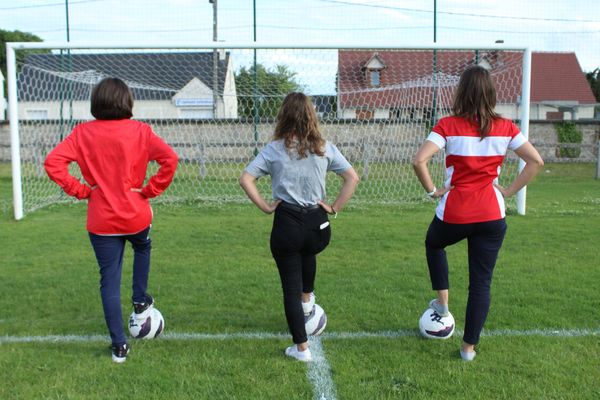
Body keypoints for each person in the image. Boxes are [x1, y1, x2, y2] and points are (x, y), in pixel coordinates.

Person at [412, 65, 544, 361]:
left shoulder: (447, 125)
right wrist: (508, 192)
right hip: (491, 215)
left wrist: (433, 191)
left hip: (455, 213)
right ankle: (468, 349)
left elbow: (419, 161)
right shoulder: (507, 127)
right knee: (481, 282)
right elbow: (536, 161)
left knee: (434, 243)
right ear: (491, 94)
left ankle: (442, 305)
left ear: (462, 92)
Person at [44, 77, 178, 363]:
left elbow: (52, 162)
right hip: (135, 212)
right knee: (142, 247)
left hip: (101, 218)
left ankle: (119, 346)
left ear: (97, 103)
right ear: (127, 101)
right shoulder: (140, 131)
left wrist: (82, 191)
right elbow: (170, 159)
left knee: (109, 280)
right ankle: (140, 299)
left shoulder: (82, 133)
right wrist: (150, 190)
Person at [239, 92, 359, 362]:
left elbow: (245, 179)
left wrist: (266, 206)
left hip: (287, 225)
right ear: (311, 116)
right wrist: (335, 207)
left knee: (289, 288)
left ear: (283, 116)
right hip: (318, 226)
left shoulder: (273, 149)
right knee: (308, 252)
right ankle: (308, 302)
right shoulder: (324, 147)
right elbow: (352, 177)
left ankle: (301, 348)